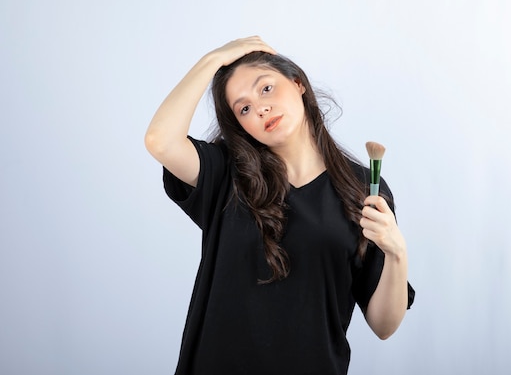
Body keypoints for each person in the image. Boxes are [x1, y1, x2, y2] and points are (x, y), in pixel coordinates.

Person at [145, 36, 414, 375]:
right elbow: (160, 140)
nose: (259, 107)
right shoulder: (226, 173)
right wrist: (213, 59)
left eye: (266, 89)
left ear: (298, 83)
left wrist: (396, 252)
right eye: (243, 108)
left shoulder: (361, 189)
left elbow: (384, 325)